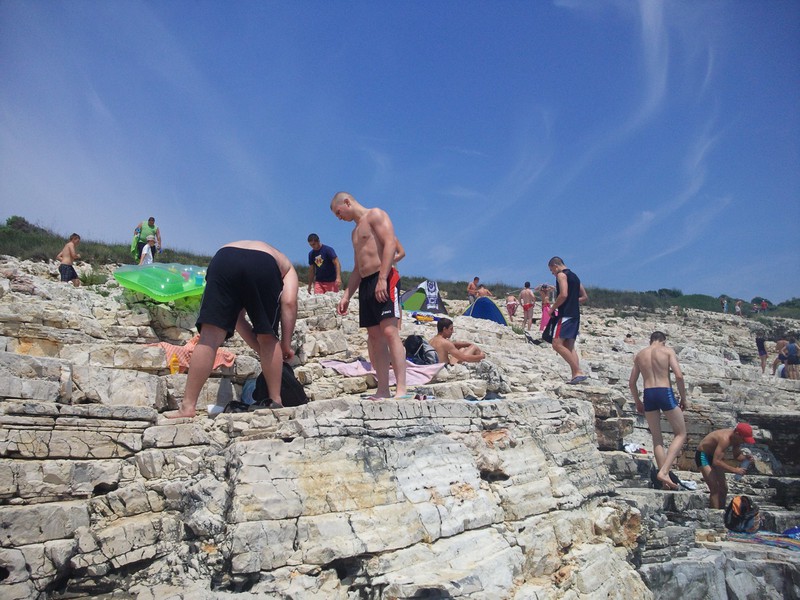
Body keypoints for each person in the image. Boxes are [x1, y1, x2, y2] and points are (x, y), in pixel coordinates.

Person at [165, 241, 298, 418]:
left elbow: (238, 319)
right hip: (263, 263)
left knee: (209, 337)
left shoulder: (250, 247)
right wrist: (285, 345)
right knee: (268, 336)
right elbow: (289, 303)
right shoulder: (287, 267)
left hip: (224, 259)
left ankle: (187, 407)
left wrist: (259, 349)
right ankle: (275, 401)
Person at [331, 192, 406, 399]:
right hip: (365, 283)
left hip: (384, 277)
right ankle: (383, 389)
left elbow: (390, 244)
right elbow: (358, 267)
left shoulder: (375, 215)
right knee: (374, 337)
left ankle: (401, 387)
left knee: (390, 331)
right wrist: (347, 295)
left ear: (347, 202)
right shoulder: (354, 233)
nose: (339, 218)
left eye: (339, 212)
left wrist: (382, 278)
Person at [629, 331, 689, 491]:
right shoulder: (667, 351)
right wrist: (683, 398)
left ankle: (665, 482)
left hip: (649, 393)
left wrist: (637, 401)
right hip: (664, 392)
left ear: (651, 340)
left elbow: (632, 382)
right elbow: (679, 376)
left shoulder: (640, 354)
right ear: (663, 341)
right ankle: (664, 471)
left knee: (657, 438)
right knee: (681, 433)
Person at [547, 257, 589, 384]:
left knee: (556, 344)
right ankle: (575, 376)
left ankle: (578, 371)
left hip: (565, 314)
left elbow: (563, 294)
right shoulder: (575, 277)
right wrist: (572, 301)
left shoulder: (561, 275)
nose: (553, 273)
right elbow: (584, 297)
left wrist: (552, 308)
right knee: (569, 346)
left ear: (555, 266)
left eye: (551, 270)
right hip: (575, 314)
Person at [695, 423, 756, 509]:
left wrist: (746, 458)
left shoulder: (736, 439)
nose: (744, 442)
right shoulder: (725, 439)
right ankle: (715, 513)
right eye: (743, 439)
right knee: (714, 487)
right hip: (703, 455)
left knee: (724, 488)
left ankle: (722, 511)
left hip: (715, 457)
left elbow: (737, 456)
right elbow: (716, 462)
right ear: (737, 434)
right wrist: (734, 470)